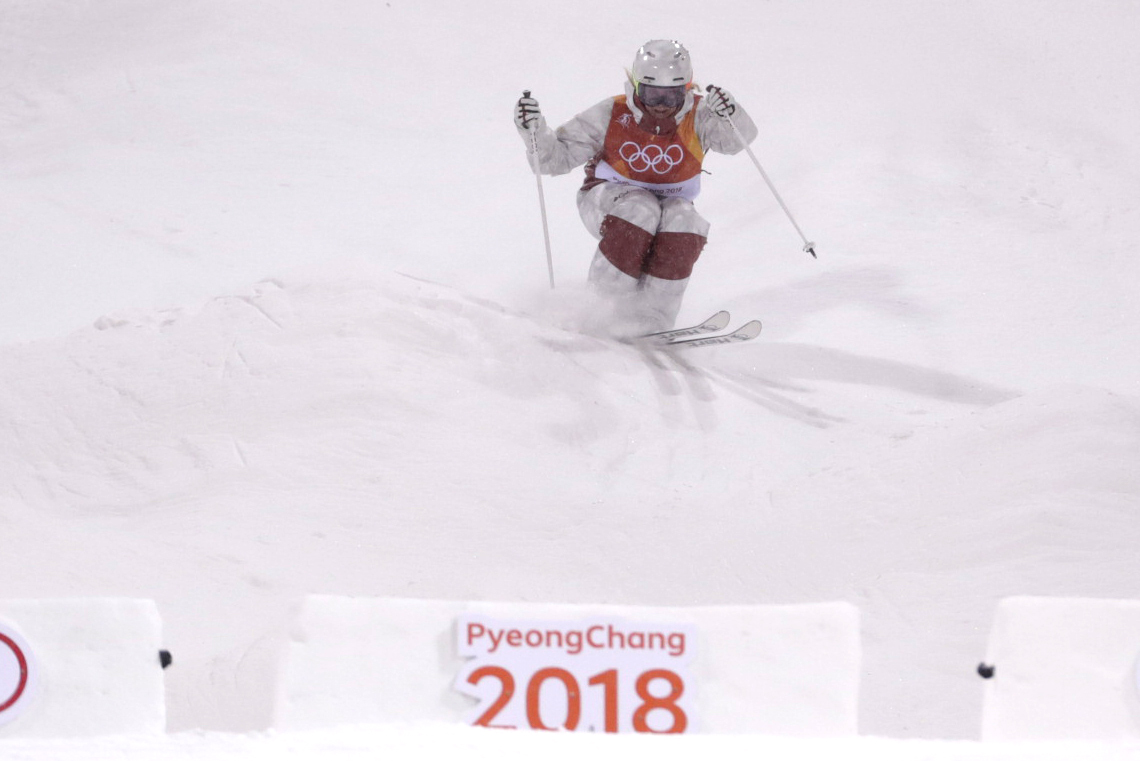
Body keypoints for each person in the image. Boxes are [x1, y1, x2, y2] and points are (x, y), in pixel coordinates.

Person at [514, 39, 758, 336]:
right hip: (606, 199)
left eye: (672, 96)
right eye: (652, 93)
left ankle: (652, 320)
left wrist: (730, 114)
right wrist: (534, 132)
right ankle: (603, 310)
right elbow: (555, 160)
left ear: (688, 88)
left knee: (685, 221)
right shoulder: (613, 112)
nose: (661, 106)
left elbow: (737, 142)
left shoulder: (699, 115)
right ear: (635, 85)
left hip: (670, 204)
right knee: (641, 208)